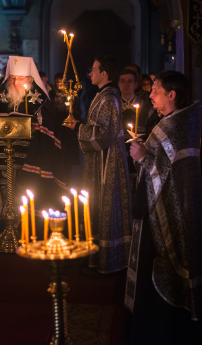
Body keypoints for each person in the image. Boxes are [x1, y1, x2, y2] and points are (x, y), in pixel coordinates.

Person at [126, 71, 202, 343]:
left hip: (164, 212)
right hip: (168, 206)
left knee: (159, 265)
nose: (150, 94)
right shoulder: (180, 122)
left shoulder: (171, 127)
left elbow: (161, 174)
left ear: (171, 94)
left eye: (156, 90)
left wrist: (141, 158)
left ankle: (160, 328)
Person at [0, 56, 64, 232]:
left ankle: (26, 232)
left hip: (29, 159)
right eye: (13, 78)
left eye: (20, 78)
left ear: (30, 79)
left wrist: (33, 128)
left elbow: (47, 131)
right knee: (4, 196)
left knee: (25, 196)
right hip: (2, 161)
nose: (16, 82)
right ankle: (4, 230)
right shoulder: (0, 99)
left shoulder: (39, 102)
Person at [68, 56, 131, 274]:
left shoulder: (109, 98)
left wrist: (78, 127)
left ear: (104, 73)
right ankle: (95, 257)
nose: (90, 73)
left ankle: (107, 259)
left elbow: (105, 135)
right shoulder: (102, 96)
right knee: (95, 205)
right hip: (98, 160)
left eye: (93, 69)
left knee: (105, 204)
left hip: (108, 162)